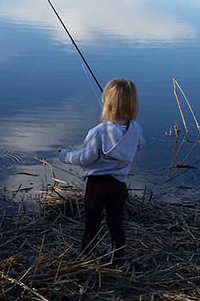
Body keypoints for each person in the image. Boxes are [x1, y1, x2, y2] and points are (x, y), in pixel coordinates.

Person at [58, 78, 144, 263]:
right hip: (119, 186)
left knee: (92, 223)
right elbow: (139, 146)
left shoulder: (98, 132)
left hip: (97, 186)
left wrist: (65, 155)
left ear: (107, 104)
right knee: (115, 223)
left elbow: (84, 158)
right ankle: (118, 257)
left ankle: (86, 257)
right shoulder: (135, 129)